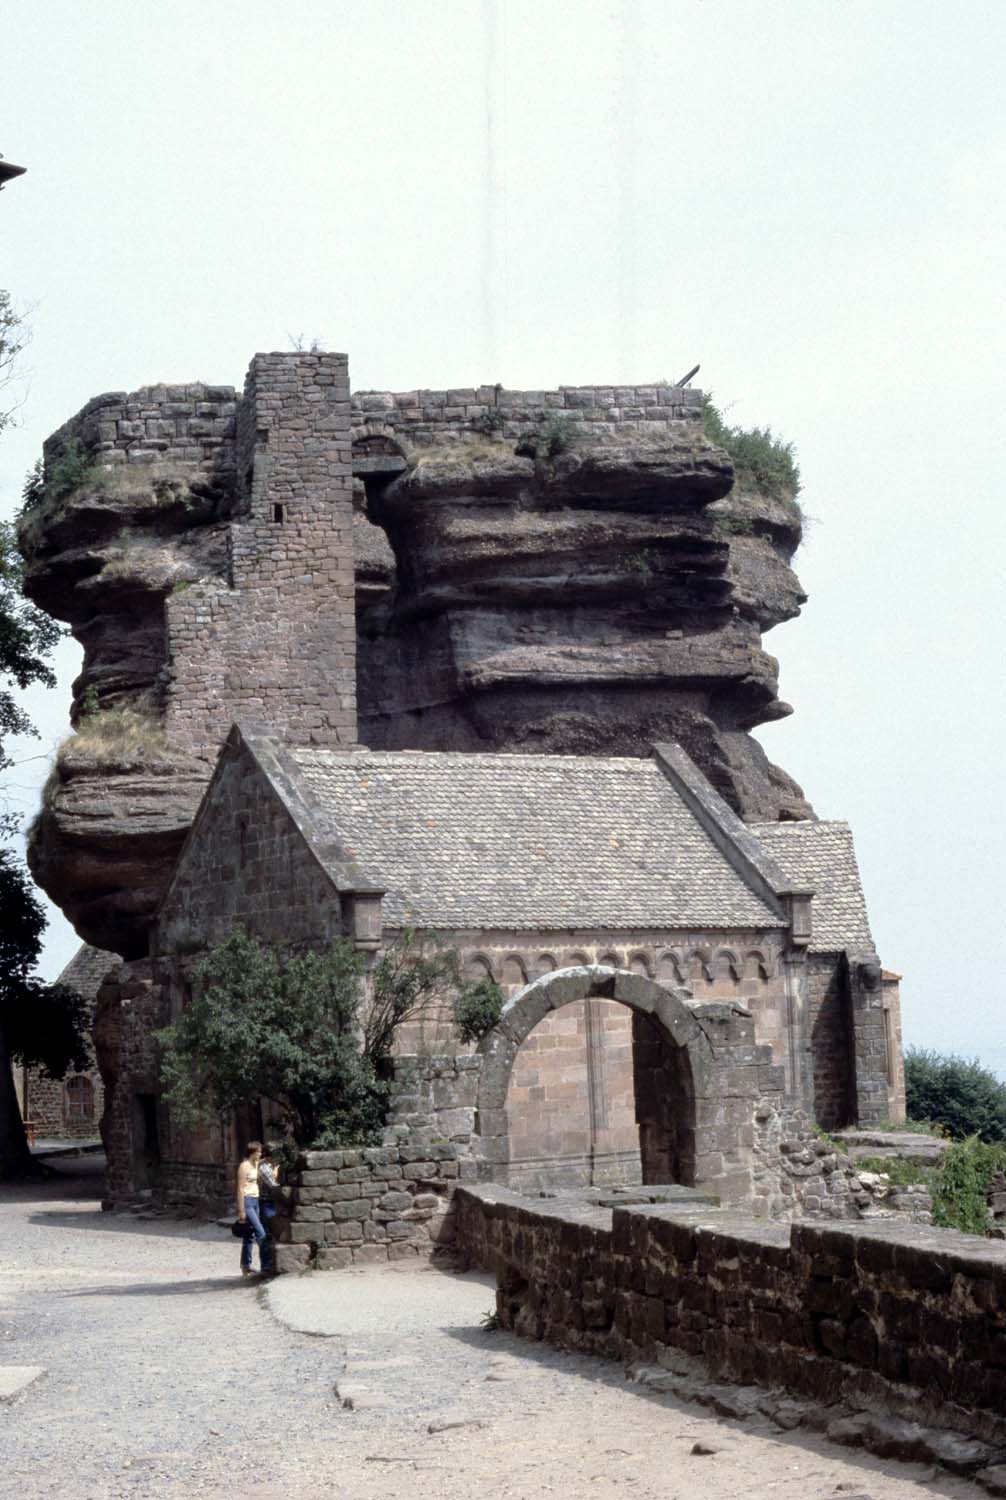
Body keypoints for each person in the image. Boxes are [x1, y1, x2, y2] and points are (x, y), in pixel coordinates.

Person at [236, 1140, 272, 1277]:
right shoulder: (244, 1166)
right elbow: (239, 1188)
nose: (260, 1153)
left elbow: (266, 1160)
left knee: (249, 1235)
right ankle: (266, 1266)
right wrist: (241, 1210)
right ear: (252, 1152)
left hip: (256, 1200)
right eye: (258, 1151)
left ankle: (245, 1265)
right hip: (247, 1201)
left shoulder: (256, 1164)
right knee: (261, 1233)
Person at [257, 1143, 282, 1260]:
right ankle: (266, 1265)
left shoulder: (274, 1165)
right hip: (266, 1201)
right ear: (268, 1156)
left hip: (275, 1201)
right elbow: (273, 1185)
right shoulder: (264, 1167)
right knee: (267, 1233)